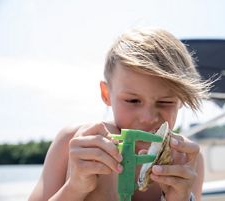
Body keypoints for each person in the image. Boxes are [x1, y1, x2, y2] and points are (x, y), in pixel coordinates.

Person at [29, 27, 210, 201]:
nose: (147, 118)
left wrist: (182, 198)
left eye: (165, 102)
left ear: (181, 102)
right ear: (107, 94)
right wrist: (75, 188)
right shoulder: (72, 142)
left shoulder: (186, 159)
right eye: (132, 101)